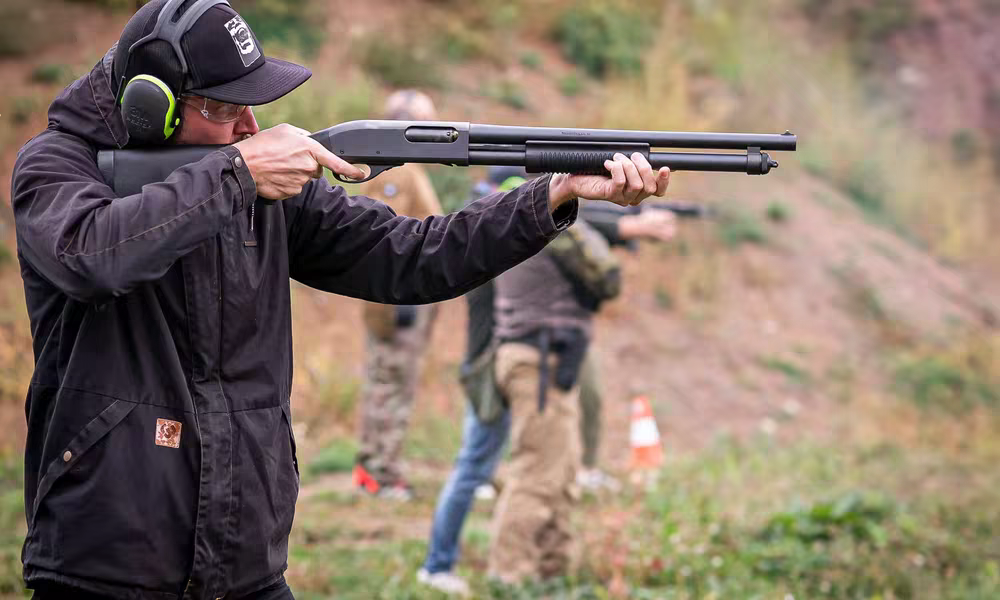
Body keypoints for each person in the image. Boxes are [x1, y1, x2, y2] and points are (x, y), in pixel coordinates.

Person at [10, 0, 669, 597]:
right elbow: (91, 256)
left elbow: (413, 257)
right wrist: (236, 174)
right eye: (224, 108)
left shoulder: (261, 187)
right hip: (108, 562)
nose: (249, 125)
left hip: (244, 560)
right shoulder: (57, 168)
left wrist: (550, 194)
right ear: (153, 107)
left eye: (252, 105)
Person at [417, 171, 677, 594]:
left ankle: (552, 568)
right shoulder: (549, 231)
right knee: (536, 473)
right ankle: (511, 575)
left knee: (559, 469)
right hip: (538, 358)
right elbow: (606, 277)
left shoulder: (509, 229)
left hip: (539, 357)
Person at [353, 90, 443, 501]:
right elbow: (393, 235)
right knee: (393, 384)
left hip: (392, 297)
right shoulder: (397, 173)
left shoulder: (395, 170)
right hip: (397, 299)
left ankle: (372, 466)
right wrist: (403, 300)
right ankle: (383, 473)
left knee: (382, 381)